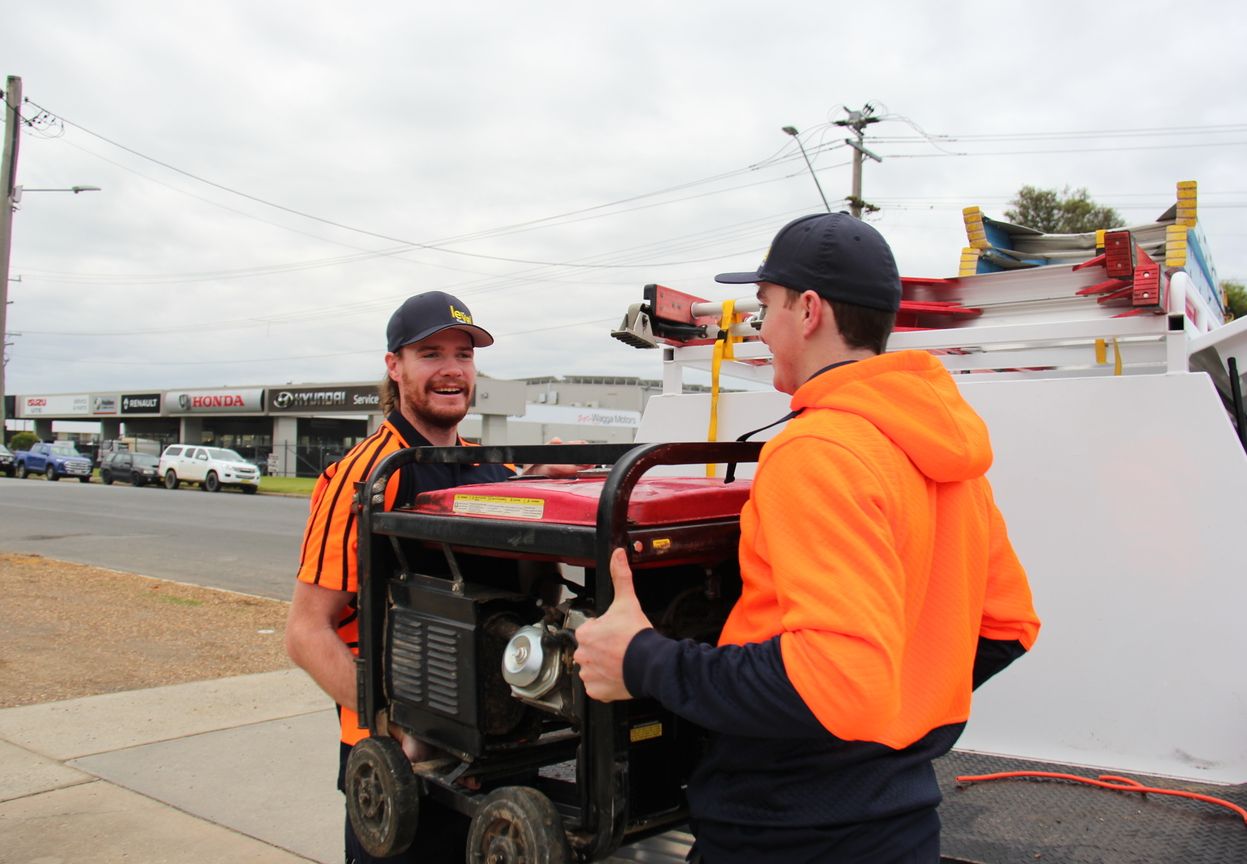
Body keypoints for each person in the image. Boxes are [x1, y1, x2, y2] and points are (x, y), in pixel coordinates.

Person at [574, 213, 1041, 864]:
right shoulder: (943, 453)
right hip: (900, 827)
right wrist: (891, 722)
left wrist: (641, 659)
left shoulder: (818, 451)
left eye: (765, 308)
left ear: (809, 311)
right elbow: (1007, 626)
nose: (760, 329)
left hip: (785, 831)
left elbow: (838, 681)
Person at [286, 290, 572, 863]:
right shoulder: (369, 476)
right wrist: (394, 727)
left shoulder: (494, 470)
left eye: (463, 355)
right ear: (394, 367)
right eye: (430, 353)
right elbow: (306, 631)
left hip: (497, 744)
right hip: (405, 763)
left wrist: (542, 483)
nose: (451, 370)